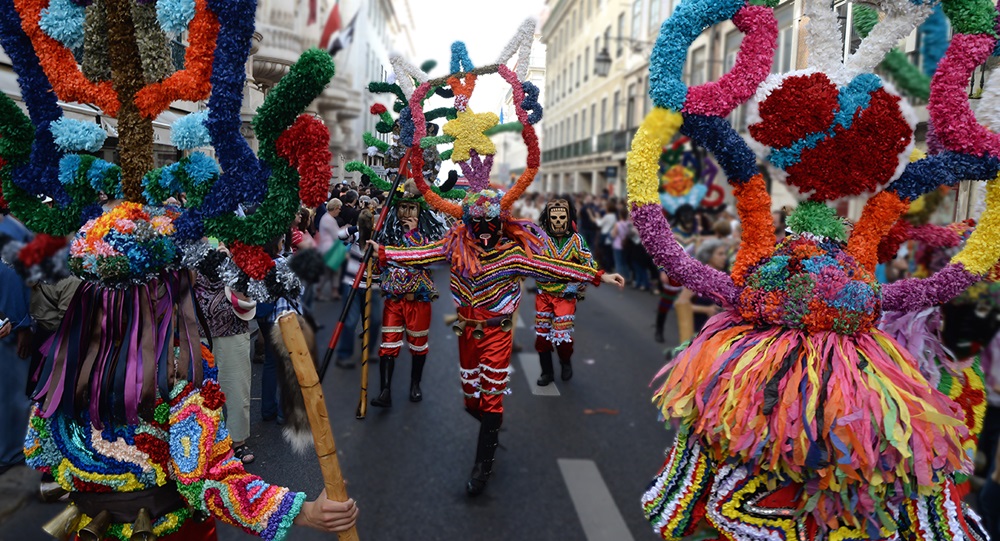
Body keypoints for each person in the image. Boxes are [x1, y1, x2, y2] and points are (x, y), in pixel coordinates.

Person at [370, 188, 625, 496]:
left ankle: (483, 465)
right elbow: (422, 254)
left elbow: (553, 267)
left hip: (497, 333)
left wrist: (598, 275)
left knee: (491, 397)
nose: (485, 231)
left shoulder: (514, 255)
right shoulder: (455, 246)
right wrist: (384, 253)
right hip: (467, 331)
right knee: (471, 400)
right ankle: (491, 427)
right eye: (478, 223)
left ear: (501, 222)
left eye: (491, 222)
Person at [369, 180, 447, 406]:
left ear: (420, 211)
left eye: (411, 208)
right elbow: (380, 266)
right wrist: (373, 259)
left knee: (418, 346)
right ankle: (385, 391)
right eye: (402, 207)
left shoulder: (428, 238)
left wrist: (412, 234)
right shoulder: (387, 234)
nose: (406, 213)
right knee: (388, 346)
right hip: (394, 300)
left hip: (418, 301)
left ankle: (415, 385)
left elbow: (422, 259)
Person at [533, 197, 598, 386]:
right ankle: (547, 372)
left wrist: (586, 277)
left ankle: (565, 360)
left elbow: (589, 262)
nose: (558, 222)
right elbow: (528, 260)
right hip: (544, 293)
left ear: (569, 218)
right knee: (542, 336)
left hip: (566, 296)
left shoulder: (576, 240)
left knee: (563, 337)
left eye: (563, 218)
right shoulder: (540, 237)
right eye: (555, 218)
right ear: (548, 218)